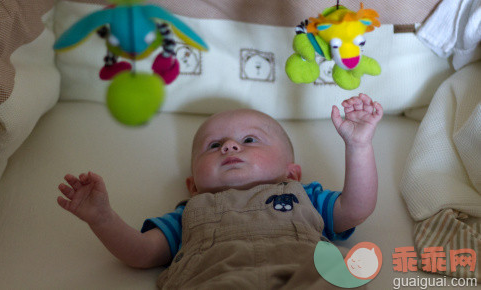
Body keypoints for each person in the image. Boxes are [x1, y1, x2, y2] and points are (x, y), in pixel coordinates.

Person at [57, 93, 383, 288]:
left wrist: (358, 146)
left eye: (249, 140)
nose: (229, 146)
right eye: (213, 146)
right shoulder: (189, 212)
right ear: (193, 186)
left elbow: (355, 209)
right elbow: (142, 253)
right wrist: (102, 219)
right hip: (218, 278)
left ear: (292, 173)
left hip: (304, 272)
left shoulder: (304, 195)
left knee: (337, 271)